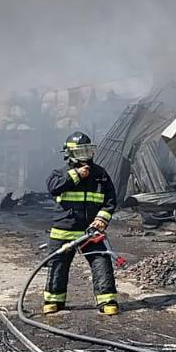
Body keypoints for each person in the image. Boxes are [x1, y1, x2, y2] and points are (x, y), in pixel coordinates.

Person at [43, 131, 120, 315]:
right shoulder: (60, 174)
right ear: (69, 154)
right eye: (79, 152)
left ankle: (107, 300)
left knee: (101, 262)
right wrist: (75, 175)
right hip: (64, 230)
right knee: (57, 266)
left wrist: (101, 219)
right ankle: (54, 300)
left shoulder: (100, 175)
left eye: (87, 151)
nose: (84, 156)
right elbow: (53, 188)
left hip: (90, 231)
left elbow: (110, 200)